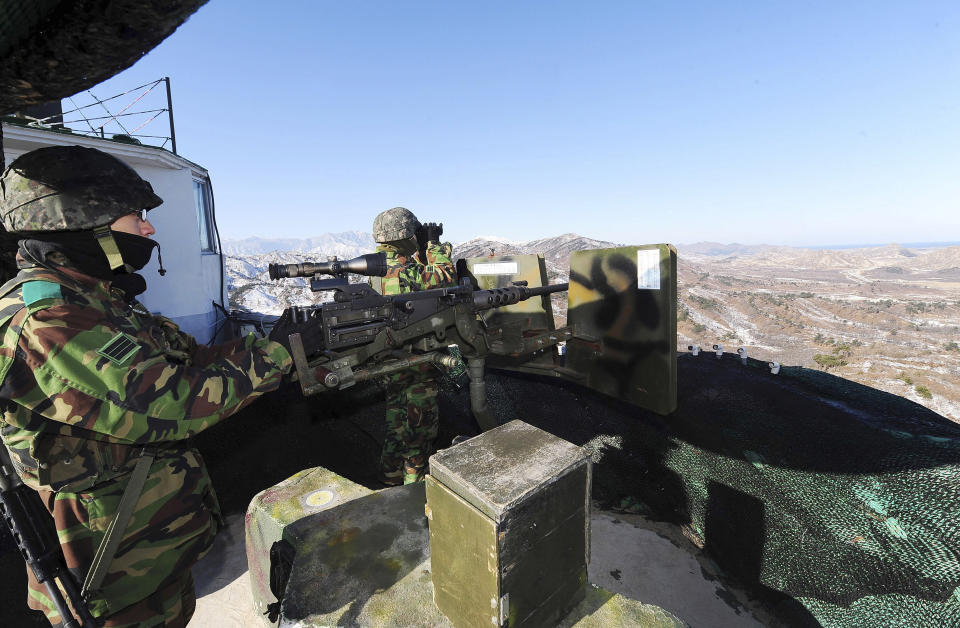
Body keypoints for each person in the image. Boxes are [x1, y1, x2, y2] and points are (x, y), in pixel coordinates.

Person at [0, 145, 307, 627]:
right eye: (135, 216)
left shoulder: (99, 300)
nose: (148, 229)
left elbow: (193, 359)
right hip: (106, 568)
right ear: (84, 223)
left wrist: (280, 341)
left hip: (152, 543)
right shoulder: (46, 319)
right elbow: (171, 403)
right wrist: (280, 356)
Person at [370, 207, 456, 485]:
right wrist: (433, 245)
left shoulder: (375, 267)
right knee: (419, 431)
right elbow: (445, 277)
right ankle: (413, 492)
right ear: (406, 235)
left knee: (396, 426)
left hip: (389, 360)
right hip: (415, 363)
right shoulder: (404, 269)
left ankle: (390, 481)